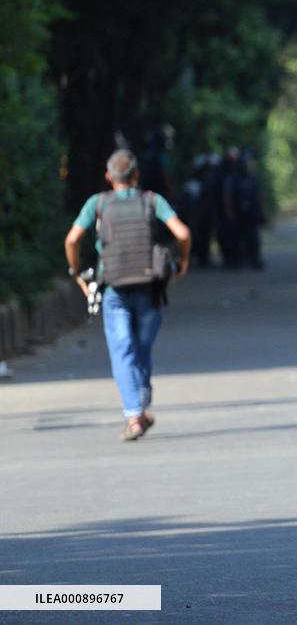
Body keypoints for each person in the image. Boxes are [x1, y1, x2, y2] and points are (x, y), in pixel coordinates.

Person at [63, 149, 191, 441]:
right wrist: (182, 262)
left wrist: (76, 271)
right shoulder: (151, 200)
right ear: (136, 176)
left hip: (114, 287)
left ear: (109, 177)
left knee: (123, 351)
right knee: (141, 350)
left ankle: (134, 414)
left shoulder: (97, 203)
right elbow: (182, 234)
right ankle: (141, 403)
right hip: (150, 287)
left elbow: (72, 240)